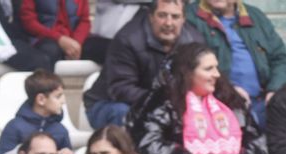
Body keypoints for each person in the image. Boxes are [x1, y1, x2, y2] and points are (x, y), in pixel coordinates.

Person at [137, 42, 270, 154]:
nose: (216, 74)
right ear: (188, 73)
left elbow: (254, 136)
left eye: (216, 68)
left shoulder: (230, 98)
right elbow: (150, 143)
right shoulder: (163, 101)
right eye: (208, 69)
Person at [83, 0, 203, 129]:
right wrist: (163, 101)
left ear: (183, 19)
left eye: (175, 17)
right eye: (162, 15)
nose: (168, 23)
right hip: (109, 103)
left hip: (164, 104)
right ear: (151, 16)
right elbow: (120, 89)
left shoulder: (194, 41)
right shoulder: (128, 39)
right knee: (124, 113)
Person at [186, 0, 286, 127]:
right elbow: (188, 67)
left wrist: (275, 90)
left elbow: (282, 59)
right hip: (220, 106)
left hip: (263, 104)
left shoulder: (256, 16)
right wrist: (228, 90)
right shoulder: (191, 17)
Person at [0, 68, 78, 154]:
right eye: (58, 96)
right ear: (41, 99)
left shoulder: (60, 130)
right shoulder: (14, 127)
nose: (63, 101)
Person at [19, 0, 108, 65]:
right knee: (50, 51)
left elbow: (84, 21)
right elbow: (29, 22)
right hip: (44, 38)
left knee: (109, 48)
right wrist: (59, 38)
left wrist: (76, 43)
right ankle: (50, 89)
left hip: (75, 40)